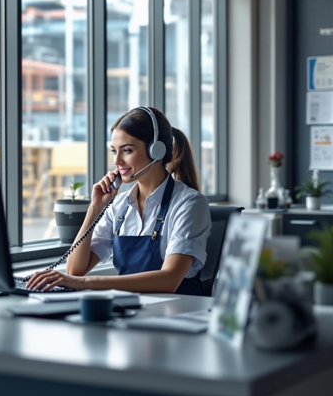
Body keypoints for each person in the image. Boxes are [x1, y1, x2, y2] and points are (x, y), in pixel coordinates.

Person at [26, 106, 211, 295]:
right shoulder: (119, 205)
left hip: (180, 312)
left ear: (156, 151)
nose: (117, 161)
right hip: (131, 310)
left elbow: (169, 280)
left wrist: (84, 283)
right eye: (114, 151)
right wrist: (95, 208)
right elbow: (75, 270)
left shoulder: (190, 204)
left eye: (127, 150)